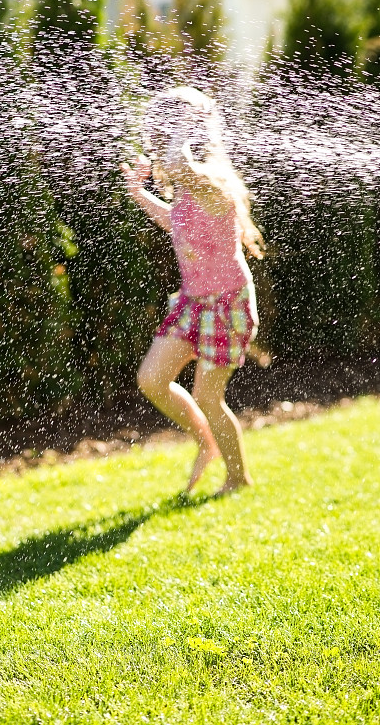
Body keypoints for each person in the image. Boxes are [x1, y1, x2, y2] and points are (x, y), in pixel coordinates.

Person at [121, 86, 264, 496]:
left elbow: (176, 162)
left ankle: (238, 478)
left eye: (170, 132)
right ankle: (207, 444)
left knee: (207, 395)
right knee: (152, 379)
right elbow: (175, 221)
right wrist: (138, 193)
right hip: (192, 302)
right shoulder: (187, 191)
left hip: (227, 304)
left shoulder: (210, 183)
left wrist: (186, 115)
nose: (162, 141)